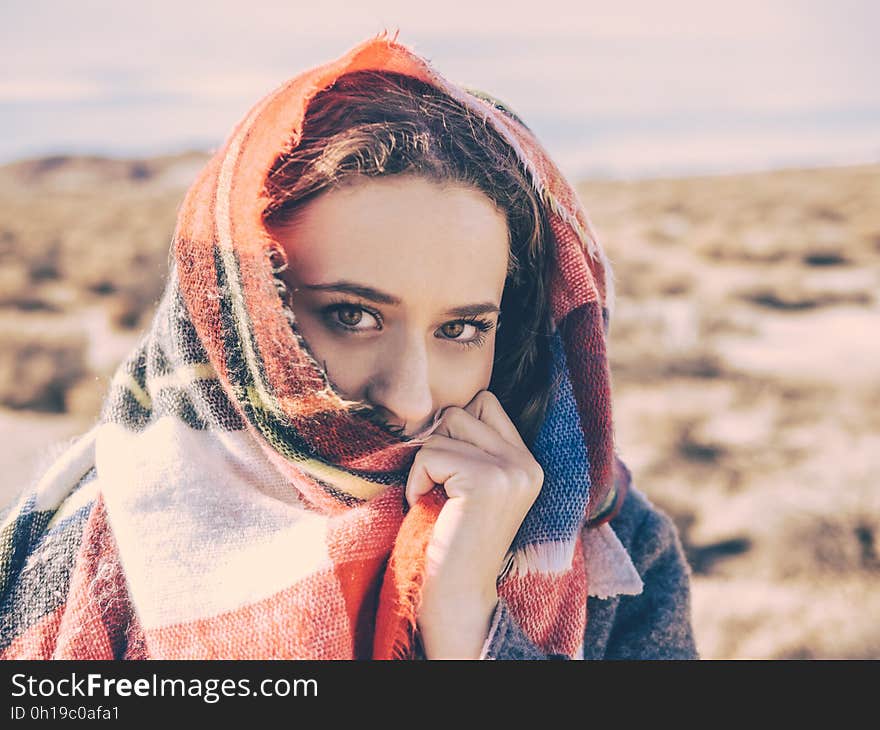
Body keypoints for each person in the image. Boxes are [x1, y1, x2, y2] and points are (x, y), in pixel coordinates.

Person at [0, 31, 698, 660]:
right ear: (245, 316)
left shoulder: (616, 552)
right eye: (352, 315)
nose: (411, 399)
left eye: (461, 328)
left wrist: (469, 626)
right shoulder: (94, 550)